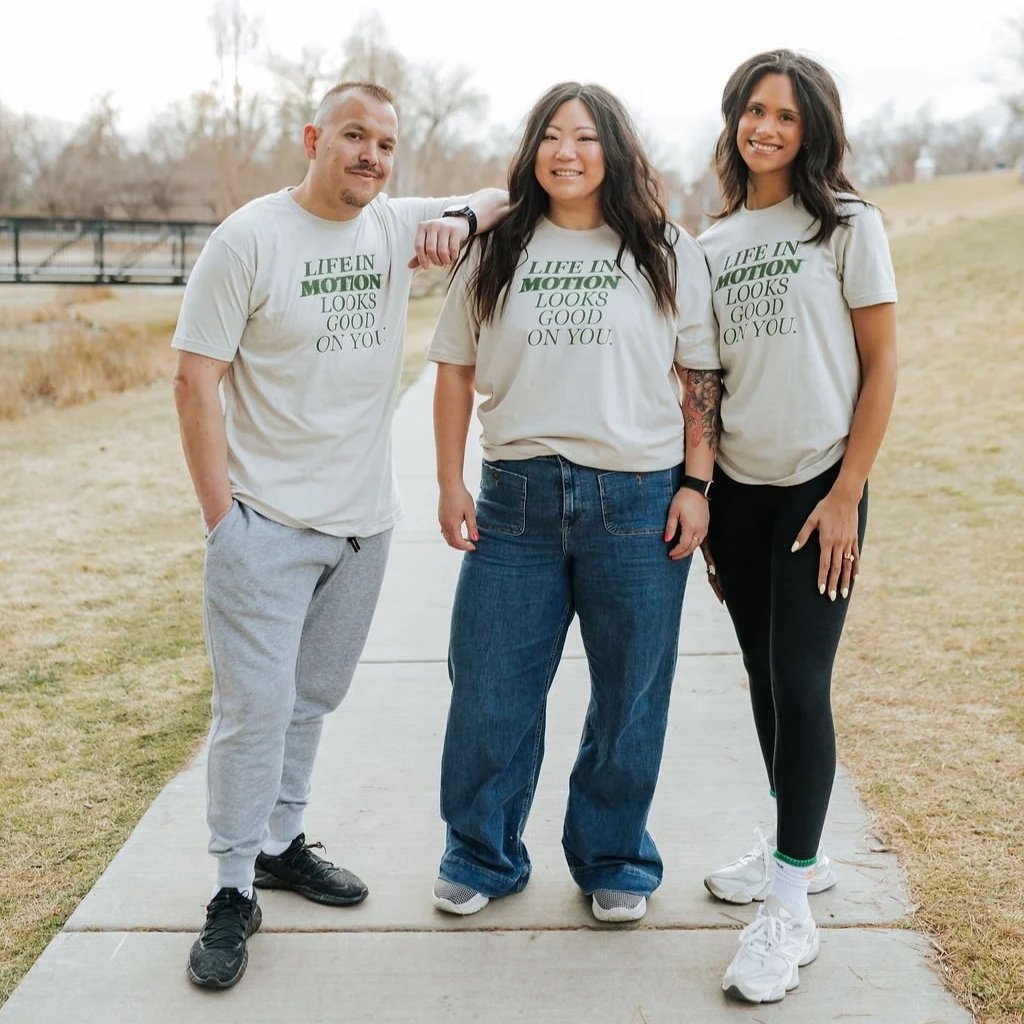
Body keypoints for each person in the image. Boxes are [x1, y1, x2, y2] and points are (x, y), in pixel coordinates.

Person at [171, 81, 508, 990]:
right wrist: (222, 523)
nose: (370, 155)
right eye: (354, 136)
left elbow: (502, 195)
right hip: (265, 527)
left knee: (313, 696)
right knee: (255, 711)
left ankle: (282, 843)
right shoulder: (249, 238)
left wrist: (458, 218)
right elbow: (193, 380)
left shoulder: (393, 225)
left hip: (365, 528)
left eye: (386, 145)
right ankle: (233, 888)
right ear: (315, 137)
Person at [426, 82, 721, 924]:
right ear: (532, 151)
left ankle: (615, 856)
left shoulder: (665, 248)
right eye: (552, 136)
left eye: (585, 137)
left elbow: (699, 371)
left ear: (613, 152)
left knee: (631, 692)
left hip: (637, 497)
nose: (566, 151)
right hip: (515, 500)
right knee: (489, 687)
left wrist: (697, 483)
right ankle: (480, 851)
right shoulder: (498, 246)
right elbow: (453, 370)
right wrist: (450, 480)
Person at [697, 50, 898, 1003]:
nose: (765, 127)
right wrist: (702, 495)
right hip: (740, 495)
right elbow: (706, 382)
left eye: (784, 114)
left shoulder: (849, 225)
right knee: (761, 679)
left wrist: (849, 491)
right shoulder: (714, 242)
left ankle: (790, 910)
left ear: (813, 127)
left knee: (800, 678)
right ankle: (796, 850)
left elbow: (882, 364)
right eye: (752, 110)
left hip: (823, 489)